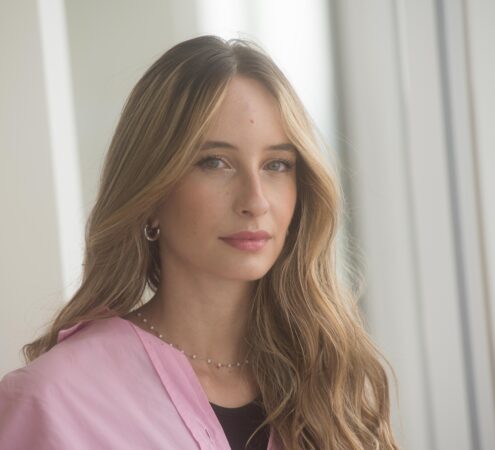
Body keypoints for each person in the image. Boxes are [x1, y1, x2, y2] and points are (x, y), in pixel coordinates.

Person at [0, 35, 401, 450]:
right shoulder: (50, 400)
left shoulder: (330, 385)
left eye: (277, 165)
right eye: (215, 162)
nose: (255, 201)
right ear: (151, 194)